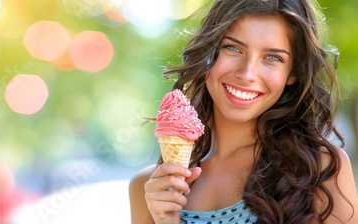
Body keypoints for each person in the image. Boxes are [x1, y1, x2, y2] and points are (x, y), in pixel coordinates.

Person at [129, 0, 358, 223]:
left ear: (292, 73)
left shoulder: (321, 170)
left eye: (272, 57)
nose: (247, 74)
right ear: (209, 52)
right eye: (233, 48)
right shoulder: (149, 188)